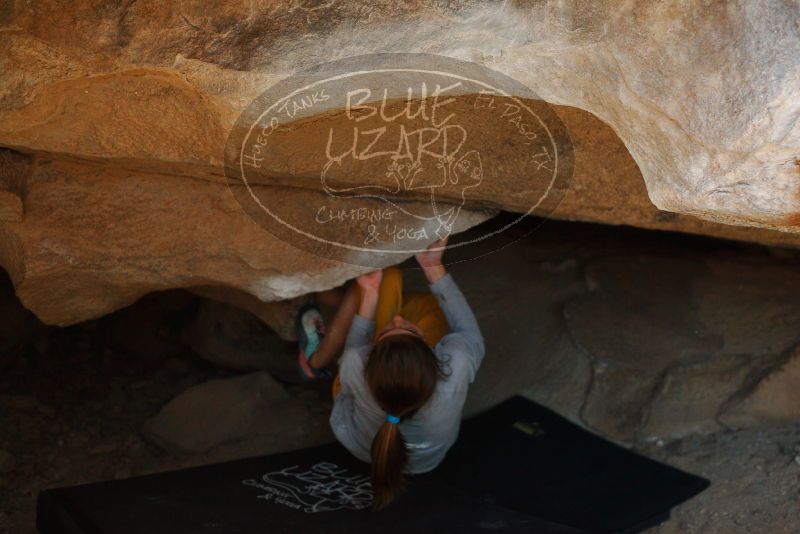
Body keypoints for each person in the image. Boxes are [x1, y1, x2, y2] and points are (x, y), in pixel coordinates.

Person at [296, 237, 485, 510]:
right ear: (434, 354)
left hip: (362, 444)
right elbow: (465, 330)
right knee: (427, 307)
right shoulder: (454, 361)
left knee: (389, 277)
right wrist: (430, 266)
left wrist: (370, 293)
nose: (397, 321)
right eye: (407, 328)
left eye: (385, 331)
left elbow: (358, 343)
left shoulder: (356, 364)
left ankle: (315, 360)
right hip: (425, 460)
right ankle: (340, 301)